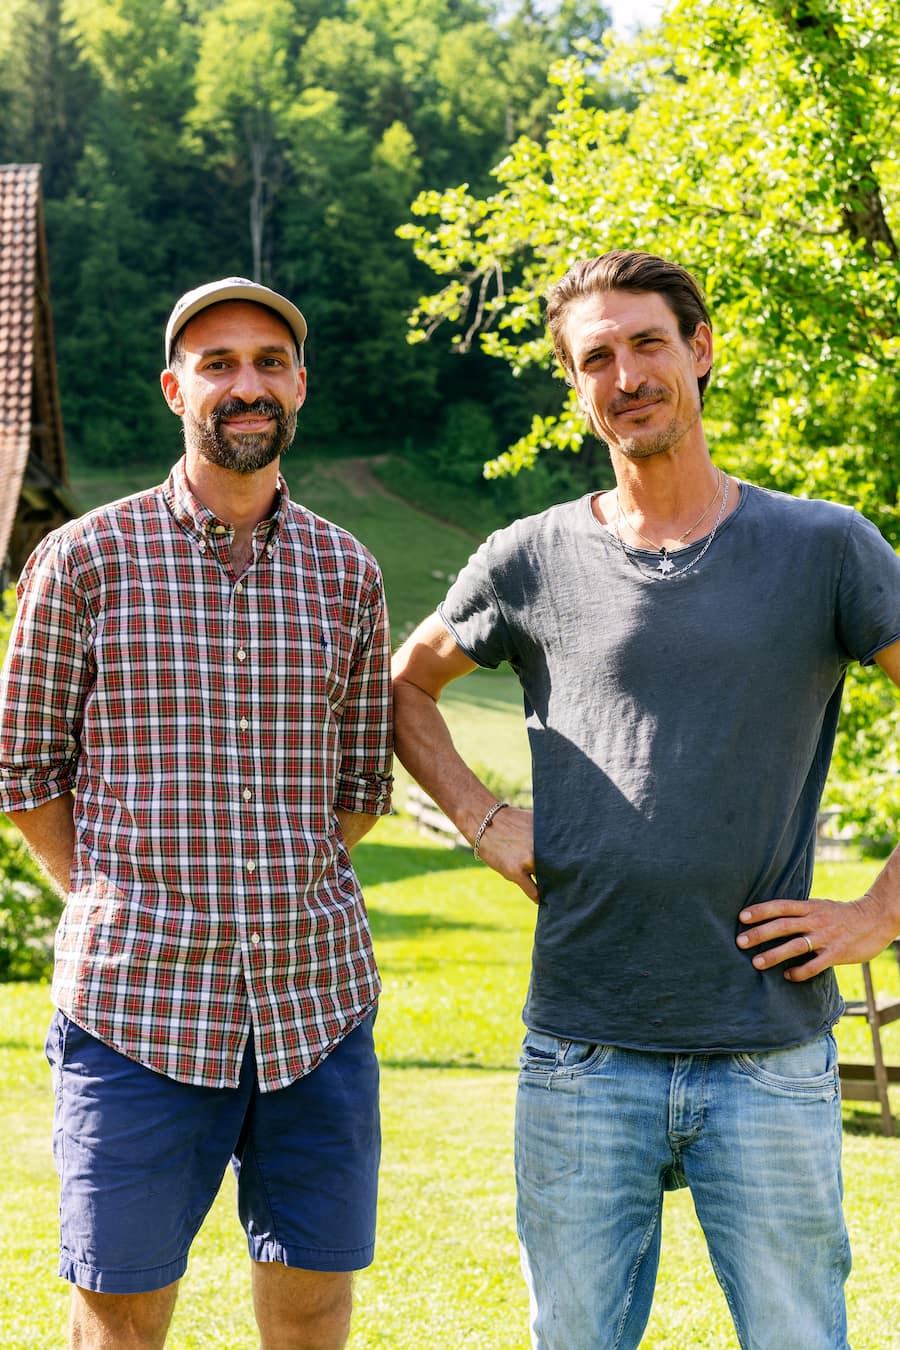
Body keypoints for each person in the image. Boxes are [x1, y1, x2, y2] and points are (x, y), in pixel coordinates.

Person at [391, 250, 900, 1350]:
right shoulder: (528, 558)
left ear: (701, 350)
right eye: (597, 358)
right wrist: (484, 820)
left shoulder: (825, 548)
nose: (626, 374)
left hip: (767, 1051)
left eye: (648, 343)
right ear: (576, 390)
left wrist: (882, 911)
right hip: (581, 1053)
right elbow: (403, 689)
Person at [0, 277, 393, 1349]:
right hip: (134, 1013)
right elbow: (24, 773)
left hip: (317, 1010)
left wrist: (269, 893)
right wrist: (116, 899)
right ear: (177, 388)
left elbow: (359, 790)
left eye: (269, 362)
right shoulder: (84, 559)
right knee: (119, 1308)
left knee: (313, 1301)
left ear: (299, 387)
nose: (246, 384)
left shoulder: (348, 574)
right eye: (218, 364)